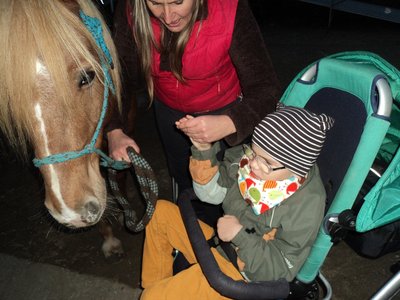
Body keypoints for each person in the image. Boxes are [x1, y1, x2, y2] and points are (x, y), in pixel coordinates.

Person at [106, 0, 281, 224]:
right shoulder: (131, 8)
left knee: (230, 187)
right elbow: (121, 77)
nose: (168, 17)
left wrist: (230, 122)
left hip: (225, 110)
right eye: (156, 4)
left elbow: (266, 88)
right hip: (170, 115)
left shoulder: (230, 8)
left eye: (177, 2)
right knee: (185, 179)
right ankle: (198, 231)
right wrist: (114, 129)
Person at [139, 104, 335, 299]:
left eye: (267, 163)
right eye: (254, 152)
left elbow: (280, 270)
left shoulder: (306, 206)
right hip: (219, 244)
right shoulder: (250, 158)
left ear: (296, 168)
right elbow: (212, 194)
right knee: (160, 214)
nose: (253, 165)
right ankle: (156, 285)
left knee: (151, 298)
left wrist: (239, 235)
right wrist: (203, 152)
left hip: (241, 273)